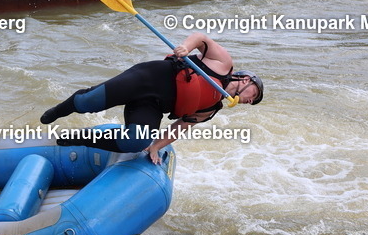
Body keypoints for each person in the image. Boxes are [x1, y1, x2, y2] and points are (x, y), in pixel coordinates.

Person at [40, 32, 263, 163]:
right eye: (255, 95)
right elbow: (202, 38)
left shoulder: (212, 108)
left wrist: (156, 146)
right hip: (147, 78)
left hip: (152, 105)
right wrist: (185, 47)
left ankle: (75, 138)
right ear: (246, 80)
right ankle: (57, 112)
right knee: (86, 103)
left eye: (254, 101)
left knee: (137, 142)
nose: (251, 101)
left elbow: (180, 126)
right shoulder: (223, 64)